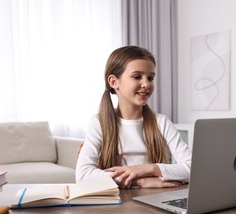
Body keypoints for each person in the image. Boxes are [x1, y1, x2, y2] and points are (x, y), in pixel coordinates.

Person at [75, 46, 191, 188]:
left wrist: (148, 168)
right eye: (137, 77)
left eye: (150, 78)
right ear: (114, 82)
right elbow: (83, 175)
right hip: (116, 206)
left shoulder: (161, 122)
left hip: (156, 200)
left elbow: (193, 169)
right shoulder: (99, 122)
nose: (146, 84)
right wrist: (140, 181)